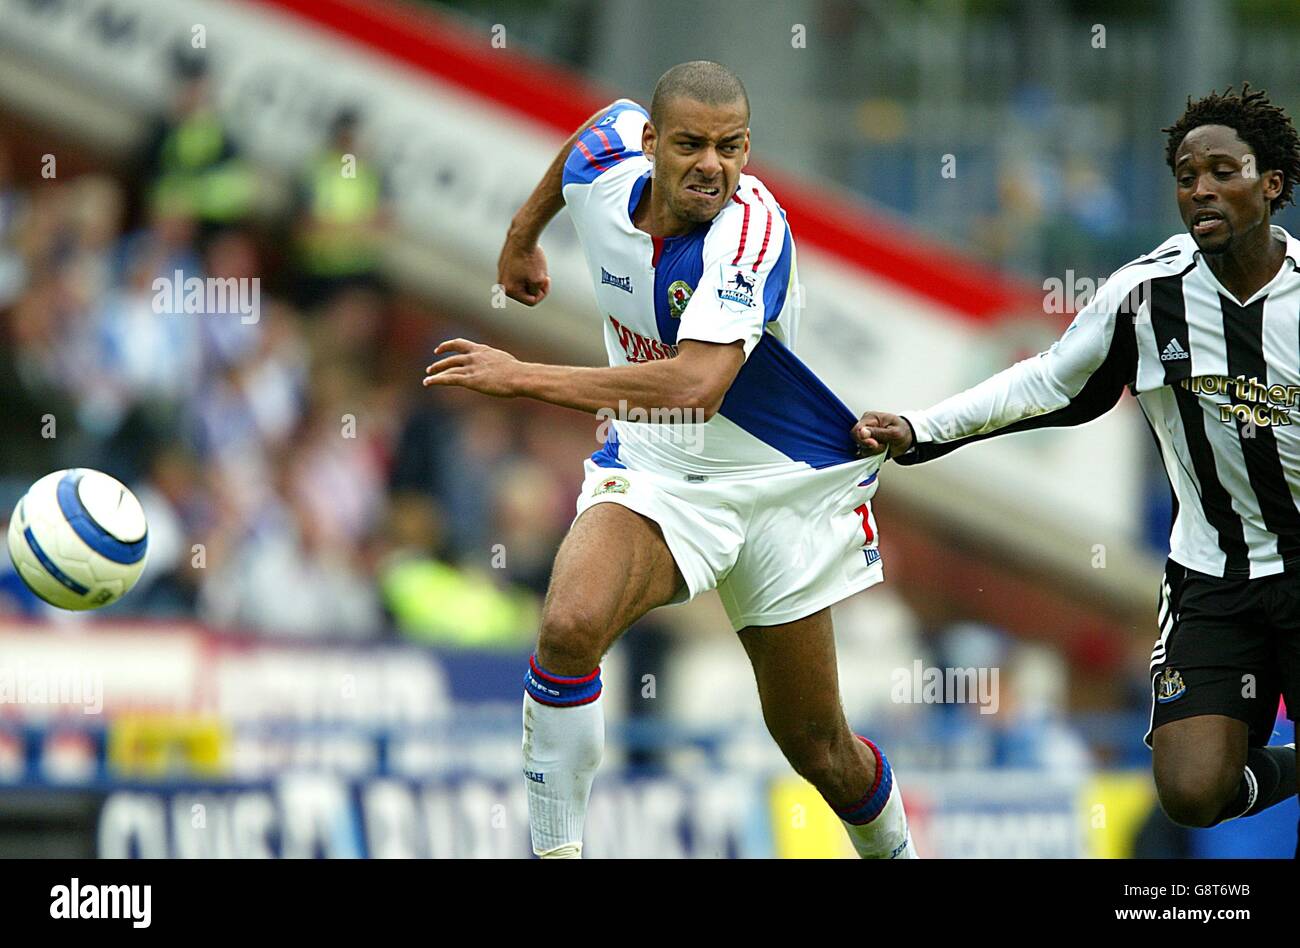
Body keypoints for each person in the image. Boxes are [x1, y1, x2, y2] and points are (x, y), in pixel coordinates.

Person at [424, 61, 916, 859]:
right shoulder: (610, 161)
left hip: (777, 487)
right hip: (656, 468)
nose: (711, 166)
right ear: (652, 143)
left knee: (818, 747)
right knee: (569, 626)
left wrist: (521, 376)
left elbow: (695, 385)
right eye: (689, 144)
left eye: (731, 148)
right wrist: (521, 237)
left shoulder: (752, 230)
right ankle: (556, 854)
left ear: (748, 151)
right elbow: (588, 137)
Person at [855, 85, 1300, 849]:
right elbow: (1044, 380)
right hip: (1212, 575)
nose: (1200, 189)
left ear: (1272, 184)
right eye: (1187, 175)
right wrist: (924, 428)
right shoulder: (1145, 296)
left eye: (1223, 171)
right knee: (1195, 792)